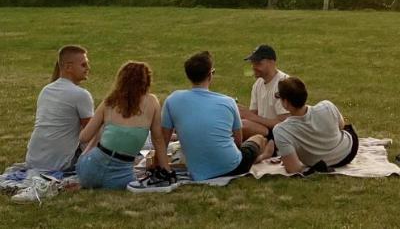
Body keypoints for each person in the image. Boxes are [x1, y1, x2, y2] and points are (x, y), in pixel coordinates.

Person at [161, 51, 272, 181]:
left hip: (197, 171)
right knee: (259, 138)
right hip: (233, 167)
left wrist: (161, 166)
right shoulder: (228, 102)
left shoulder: (172, 100)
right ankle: (261, 157)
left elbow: (163, 140)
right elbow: (238, 142)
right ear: (210, 75)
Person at [76, 61, 172, 189]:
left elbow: (83, 137)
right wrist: (167, 171)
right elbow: (158, 140)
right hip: (121, 178)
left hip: (88, 172)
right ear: (147, 81)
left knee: (100, 132)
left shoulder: (109, 101)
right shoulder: (152, 102)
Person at [25, 45, 95, 171]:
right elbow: (92, 133)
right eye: (83, 65)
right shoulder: (80, 94)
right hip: (61, 164)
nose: (88, 68)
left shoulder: (46, 90)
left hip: (33, 159)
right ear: (68, 67)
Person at [268, 77, 358, 174]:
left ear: (285, 103)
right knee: (344, 126)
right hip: (349, 151)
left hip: (320, 162)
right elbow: (341, 126)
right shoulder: (327, 106)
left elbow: (293, 169)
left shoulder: (281, 131)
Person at [237, 44, 290, 140]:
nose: (253, 67)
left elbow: (284, 123)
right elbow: (253, 113)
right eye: (252, 63)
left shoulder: (284, 84)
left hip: (280, 134)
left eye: (258, 63)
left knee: (242, 126)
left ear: (271, 62)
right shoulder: (258, 84)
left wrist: (251, 117)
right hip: (265, 130)